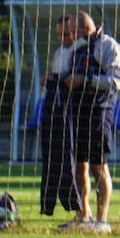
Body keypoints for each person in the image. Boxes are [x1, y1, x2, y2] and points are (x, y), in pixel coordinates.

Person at [61, 11, 120, 233]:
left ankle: (102, 220)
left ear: (85, 27)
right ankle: (83, 216)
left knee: (99, 166)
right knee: (79, 166)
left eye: (72, 31)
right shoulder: (77, 49)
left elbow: (116, 81)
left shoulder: (109, 47)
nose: (71, 36)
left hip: (99, 112)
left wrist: (87, 80)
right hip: (77, 112)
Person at [39, 16, 80, 218]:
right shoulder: (59, 52)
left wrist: (57, 79)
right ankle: (49, 201)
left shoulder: (80, 53)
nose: (62, 38)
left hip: (71, 111)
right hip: (54, 107)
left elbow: (70, 80)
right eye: (58, 34)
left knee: (70, 156)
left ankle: (76, 204)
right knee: (51, 154)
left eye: (65, 33)